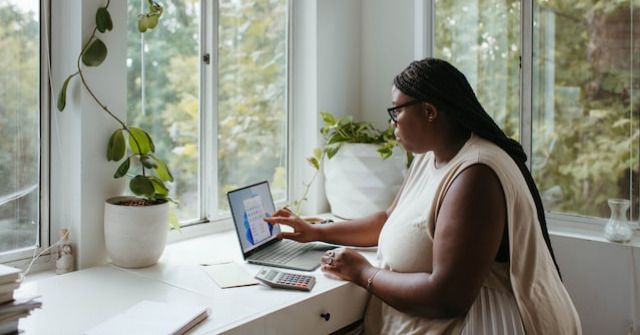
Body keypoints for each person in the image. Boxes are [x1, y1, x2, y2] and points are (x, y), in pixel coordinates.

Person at [264, 58, 581, 334]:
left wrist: (363, 272)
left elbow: (447, 297)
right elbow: (389, 219)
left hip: (486, 323)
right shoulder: (430, 156)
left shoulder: (476, 175)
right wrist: (316, 231)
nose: (392, 123)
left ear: (429, 111)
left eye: (396, 111)